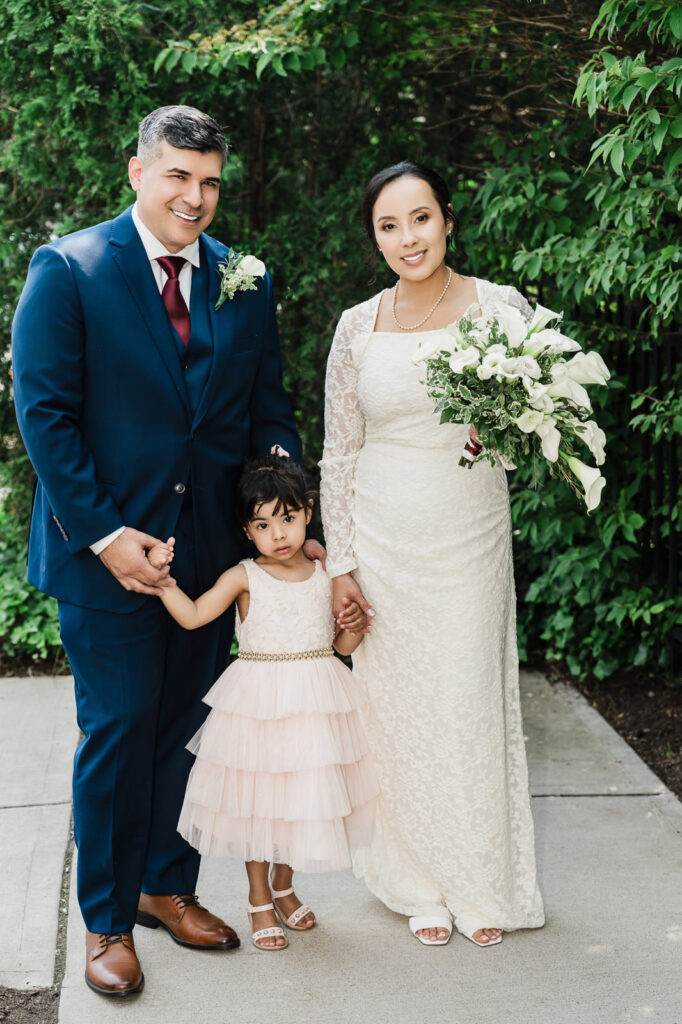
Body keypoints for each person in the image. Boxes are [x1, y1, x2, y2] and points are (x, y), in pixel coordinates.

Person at [11, 105, 329, 996]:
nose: (197, 197)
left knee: (188, 732)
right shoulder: (68, 268)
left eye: (211, 181)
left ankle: (167, 886)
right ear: (137, 172)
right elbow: (46, 417)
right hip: (105, 552)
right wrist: (109, 538)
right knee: (117, 731)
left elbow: (267, 411)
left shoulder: (244, 279)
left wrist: (285, 520)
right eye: (179, 176)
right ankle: (107, 922)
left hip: (211, 556)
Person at [319, 161, 545, 947]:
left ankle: (481, 881)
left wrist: (507, 434)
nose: (407, 238)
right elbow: (339, 453)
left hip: (467, 536)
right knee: (397, 713)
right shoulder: (358, 325)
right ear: (375, 237)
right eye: (388, 226)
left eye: (419, 219)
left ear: (447, 219)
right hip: (383, 541)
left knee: (467, 700)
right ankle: (416, 881)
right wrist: (340, 562)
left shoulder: (499, 308)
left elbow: (539, 432)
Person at [146, 453, 378, 951]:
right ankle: (257, 897)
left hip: (316, 702)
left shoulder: (324, 573)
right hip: (260, 706)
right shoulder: (243, 577)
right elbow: (192, 616)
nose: (279, 534)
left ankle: (284, 886)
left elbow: (337, 649)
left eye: (288, 519)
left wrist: (354, 634)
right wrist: (164, 583)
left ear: (308, 512)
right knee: (260, 806)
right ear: (247, 531)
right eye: (263, 524)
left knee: (298, 802)